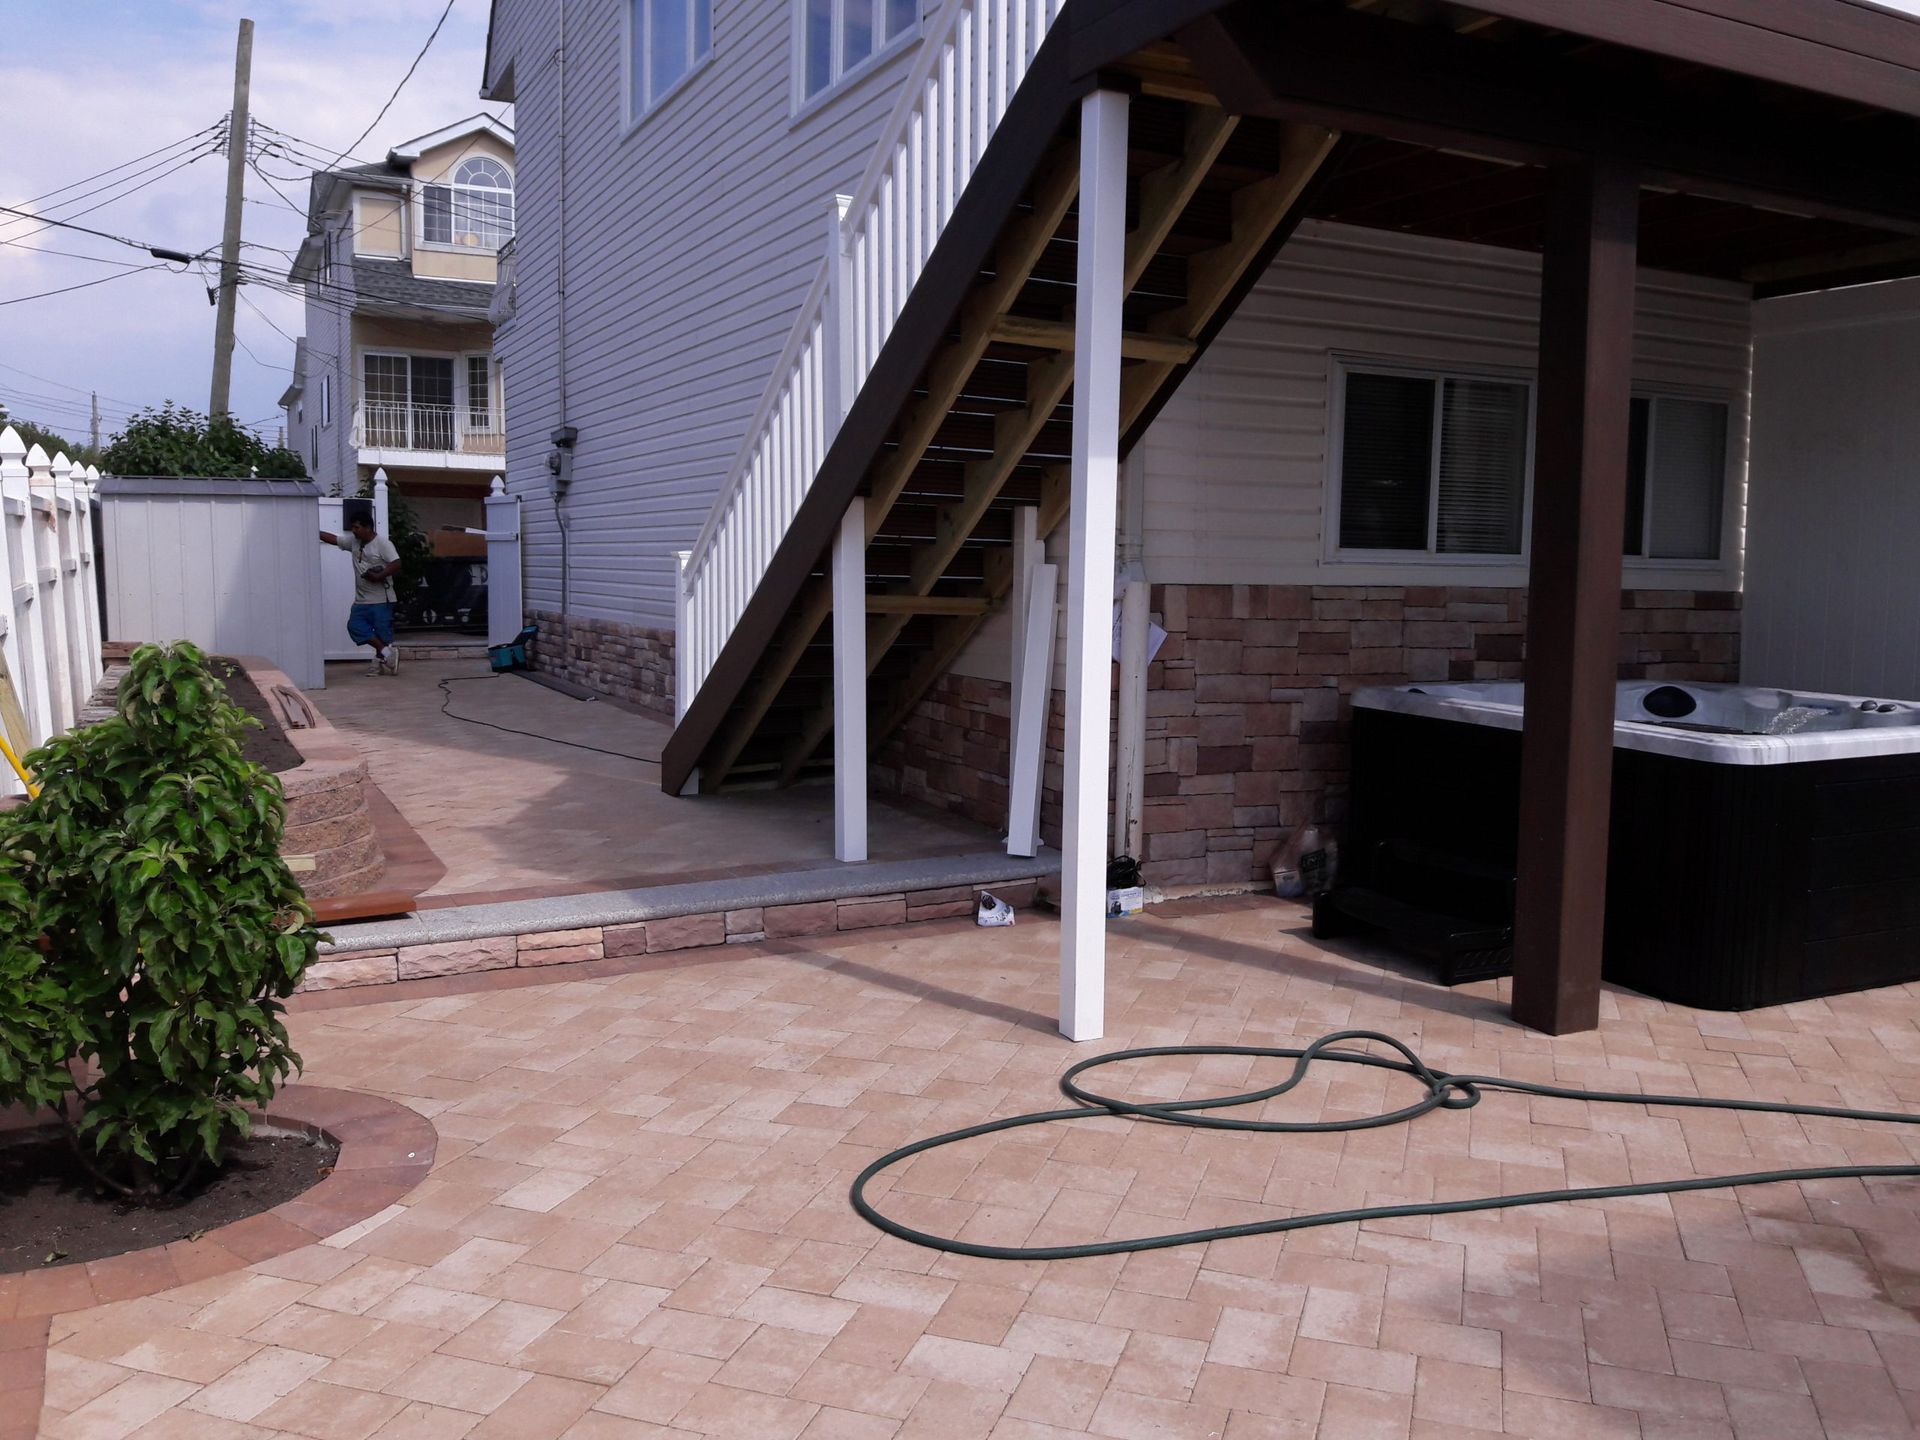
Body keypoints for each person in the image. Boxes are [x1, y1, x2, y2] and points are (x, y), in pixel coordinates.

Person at [317, 515, 403, 675]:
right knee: (354, 627)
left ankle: (379, 663)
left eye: (357, 527)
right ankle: (387, 653)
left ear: (368, 527)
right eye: (353, 527)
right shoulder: (354, 542)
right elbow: (335, 539)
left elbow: (396, 563)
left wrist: (379, 575)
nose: (354, 531)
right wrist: (314, 531)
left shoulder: (383, 543)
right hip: (362, 599)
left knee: (381, 633)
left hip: (382, 599)